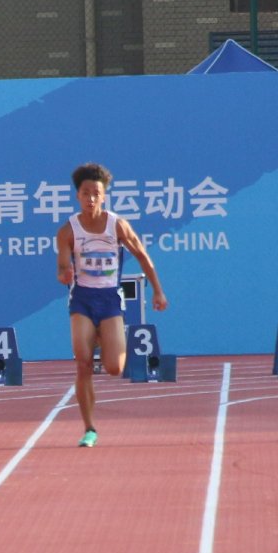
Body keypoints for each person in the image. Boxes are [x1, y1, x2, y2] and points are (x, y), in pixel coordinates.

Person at [54, 164, 167, 448]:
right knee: (82, 364)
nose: (90, 198)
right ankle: (89, 428)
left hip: (109, 301)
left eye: (96, 194)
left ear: (103, 196)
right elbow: (62, 265)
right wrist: (64, 272)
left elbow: (141, 255)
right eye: (85, 193)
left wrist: (157, 290)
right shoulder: (68, 230)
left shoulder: (116, 225)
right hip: (81, 299)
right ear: (77, 196)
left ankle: (102, 338)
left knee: (115, 367)